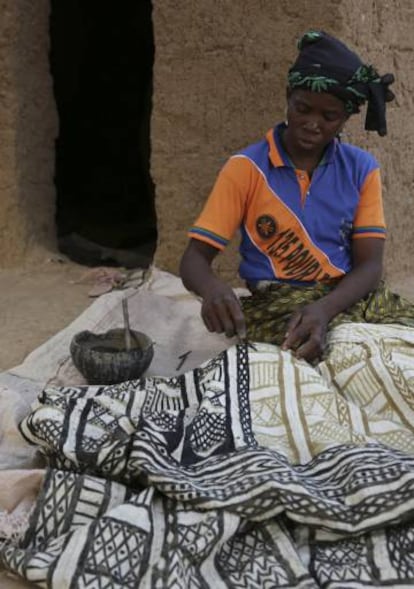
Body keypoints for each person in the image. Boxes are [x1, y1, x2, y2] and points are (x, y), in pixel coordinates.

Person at [180, 30, 414, 363]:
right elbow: (194, 259)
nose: (312, 124)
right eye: (303, 108)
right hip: (276, 305)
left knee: (398, 348)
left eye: (328, 116)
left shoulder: (362, 169)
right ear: (288, 96)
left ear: (345, 118)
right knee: (348, 357)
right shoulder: (246, 168)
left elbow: (370, 265)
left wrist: (324, 310)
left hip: (343, 297)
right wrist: (212, 288)